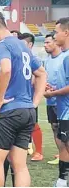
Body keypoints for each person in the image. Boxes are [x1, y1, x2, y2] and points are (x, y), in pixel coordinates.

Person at [0, 11, 47, 187]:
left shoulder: (3, 45)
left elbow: (6, 69)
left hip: (10, 111)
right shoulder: (24, 46)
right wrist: (35, 102)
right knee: (20, 165)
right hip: (27, 111)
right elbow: (41, 73)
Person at [45, 17, 69, 187]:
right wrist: (54, 88)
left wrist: (53, 93)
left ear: (66, 33)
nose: (55, 36)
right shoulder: (62, 58)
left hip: (67, 110)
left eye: (57, 32)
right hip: (62, 109)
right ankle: (62, 179)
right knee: (64, 145)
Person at [18, 32, 44, 160]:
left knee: (33, 123)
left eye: (22, 44)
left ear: (30, 44)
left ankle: (38, 151)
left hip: (30, 97)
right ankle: (26, 147)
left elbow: (36, 78)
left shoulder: (34, 59)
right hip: (21, 97)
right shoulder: (20, 57)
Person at [44, 33, 65, 166]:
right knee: (54, 128)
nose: (45, 45)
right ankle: (61, 155)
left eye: (48, 42)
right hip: (50, 100)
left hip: (62, 101)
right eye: (44, 43)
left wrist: (55, 90)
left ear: (56, 43)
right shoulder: (46, 60)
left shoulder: (64, 58)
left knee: (64, 130)